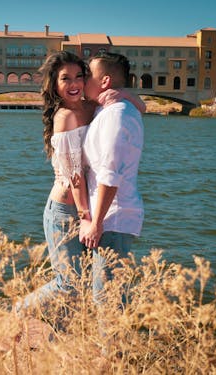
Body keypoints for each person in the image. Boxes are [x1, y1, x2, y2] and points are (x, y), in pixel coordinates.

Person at [15, 51, 145, 321]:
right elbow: (75, 178)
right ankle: (19, 311)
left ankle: (59, 337)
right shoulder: (65, 117)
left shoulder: (92, 106)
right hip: (64, 212)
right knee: (69, 284)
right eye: (65, 79)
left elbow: (140, 106)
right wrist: (87, 218)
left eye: (79, 76)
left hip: (85, 210)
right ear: (54, 84)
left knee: (82, 284)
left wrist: (125, 96)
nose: (74, 84)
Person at [80, 52, 145, 305]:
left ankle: (114, 346)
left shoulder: (116, 115)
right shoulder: (109, 109)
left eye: (88, 75)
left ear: (104, 80)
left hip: (111, 221)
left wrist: (96, 223)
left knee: (108, 303)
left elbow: (110, 174)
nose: (84, 80)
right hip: (109, 219)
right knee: (107, 298)